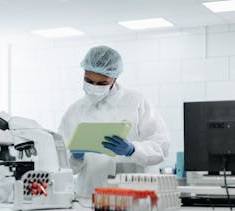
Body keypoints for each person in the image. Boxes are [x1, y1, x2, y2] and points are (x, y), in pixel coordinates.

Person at [58, 45, 170, 197]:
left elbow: (161, 147)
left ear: (115, 78)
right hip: (89, 197)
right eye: (88, 81)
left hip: (135, 196)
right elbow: (62, 167)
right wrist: (75, 157)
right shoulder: (74, 111)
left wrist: (132, 149)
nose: (93, 88)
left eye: (102, 84)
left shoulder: (136, 102)